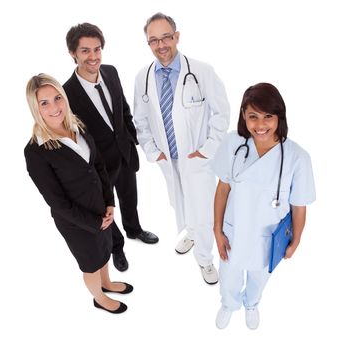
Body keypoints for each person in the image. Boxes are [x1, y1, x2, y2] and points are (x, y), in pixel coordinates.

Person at [24, 73, 133, 314]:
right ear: (36, 108)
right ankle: (99, 297)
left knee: (105, 251)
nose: (54, 107)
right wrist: (95, 222)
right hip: (77, 223)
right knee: (91, 263)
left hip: (101, 210)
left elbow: (98, 165)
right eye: (44, 103)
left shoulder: (77, 126)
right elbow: (57, 203)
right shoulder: (36, 151)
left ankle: (107, 283)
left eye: (57, 98)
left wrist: (109, 203)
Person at [134, 13, 230, 284]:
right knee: (178, 201)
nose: (161, 44)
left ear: (177, 36)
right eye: (154, 40)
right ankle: (190, 231)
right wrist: (154, 152)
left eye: (166, 37)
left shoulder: (201, 71)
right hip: (169, 158)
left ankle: (205, 259)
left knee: (202, 212)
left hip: (197, 158)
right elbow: (140, 120)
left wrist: (208, 148)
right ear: (148, 44)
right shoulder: (143, 77)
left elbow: (221, 113)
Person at [212, 82, 316, 329]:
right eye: (253, 117)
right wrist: (217, 230)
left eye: (268, 116)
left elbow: (299, 205)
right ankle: (229, 304)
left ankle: (251, 304)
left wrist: (296, 240)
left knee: (260, 278)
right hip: (233, 231)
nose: (260, 125)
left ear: (279, 116)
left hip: (268, 237)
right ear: (243, 117)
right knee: (228, 277)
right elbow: (222, 188)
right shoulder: (233, 143)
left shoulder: (297, 157)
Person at [63, 23, 159, 273]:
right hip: (99, 165)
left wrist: (133, 138)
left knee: (130, 198)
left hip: (124, 153)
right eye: (85, 51)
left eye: (97, 49)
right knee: (107, 208)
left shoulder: (111, 72)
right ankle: (117, 247)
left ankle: (134, 229)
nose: (93, 57)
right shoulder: (66, 94)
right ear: (72, 53)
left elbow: (123, 108)